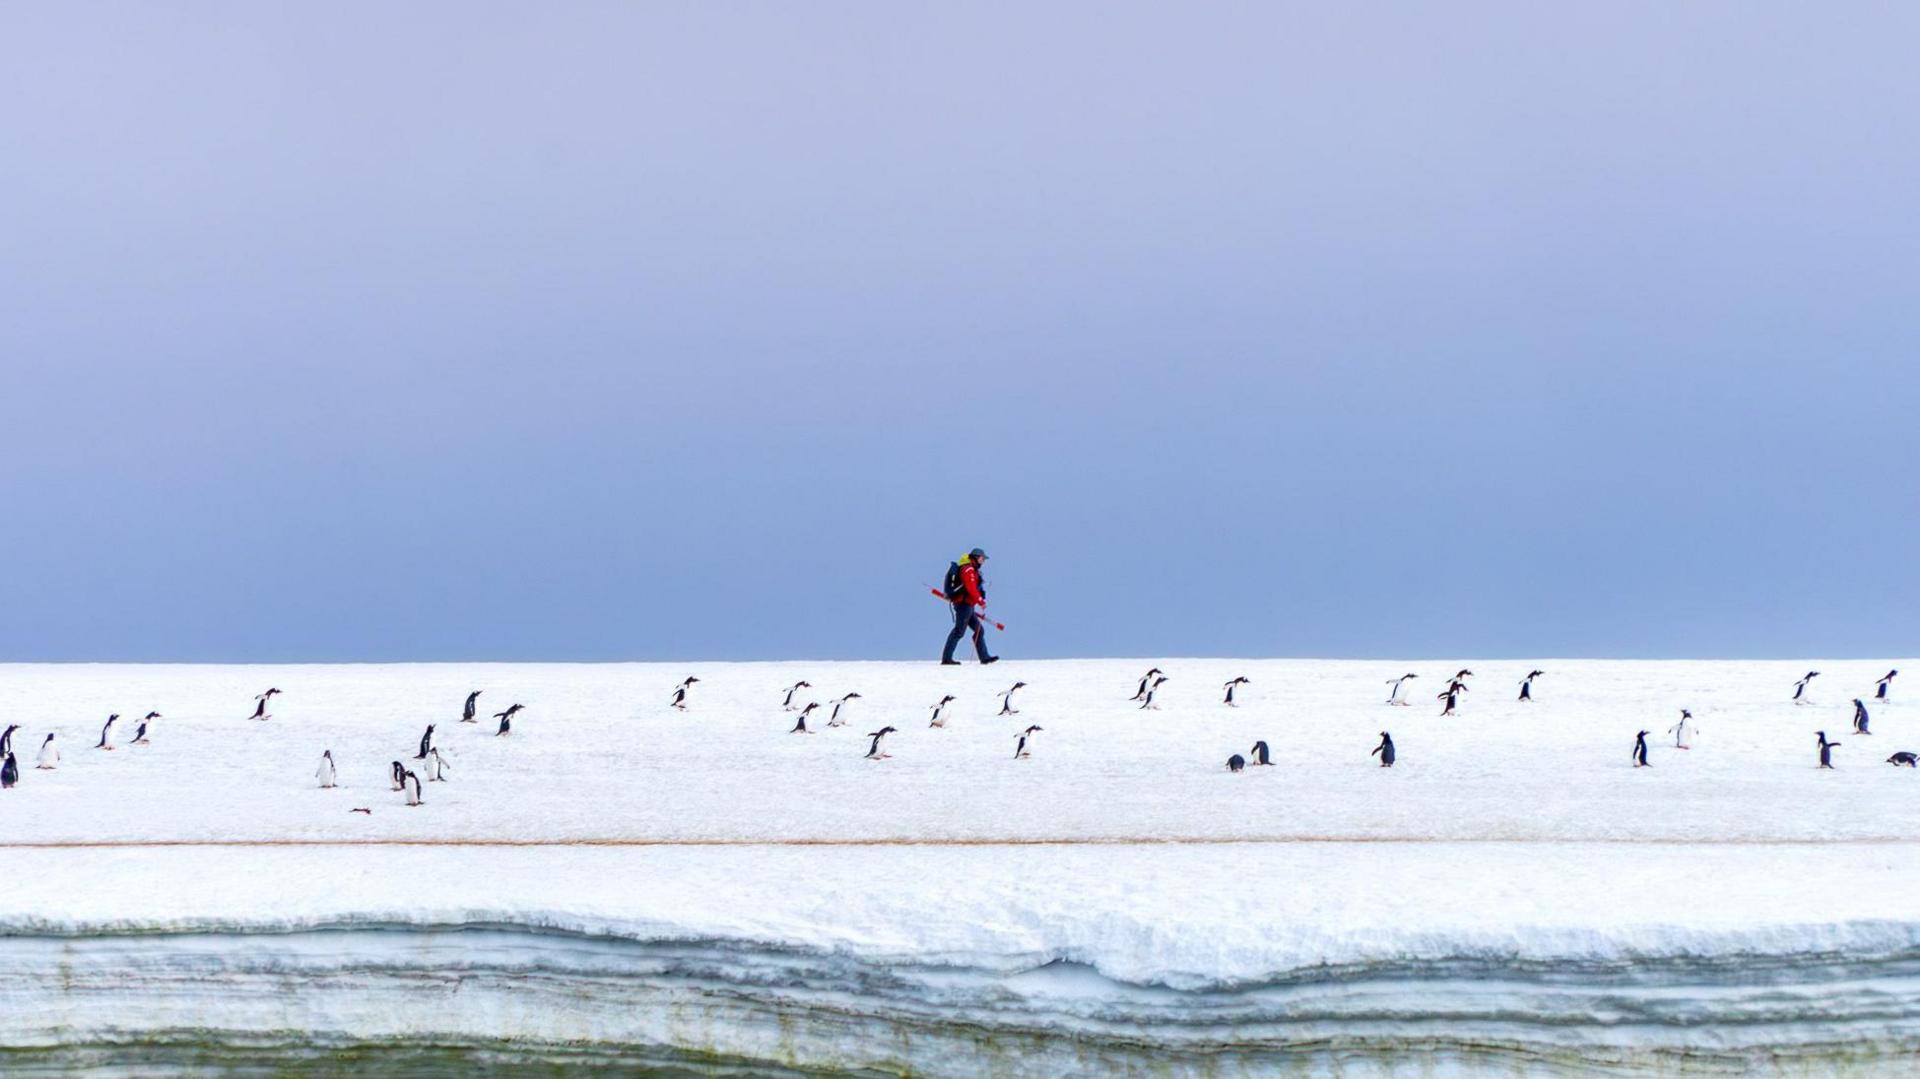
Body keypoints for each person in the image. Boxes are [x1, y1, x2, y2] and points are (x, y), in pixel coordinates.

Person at [941, 548, 998, 665]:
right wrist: (980, 601)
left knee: (978, 630)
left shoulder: (972, 569)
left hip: (968, 605)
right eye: (982, 559)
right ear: (976, 557)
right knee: (959, 631)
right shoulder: (968, 570)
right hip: (963, 605)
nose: (983, 561)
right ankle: (946, 659)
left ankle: (984, 657)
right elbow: (971, 587)